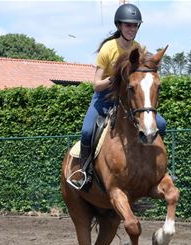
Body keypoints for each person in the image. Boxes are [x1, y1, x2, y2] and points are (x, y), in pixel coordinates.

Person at [73, 3, 167, 190]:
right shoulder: (108, 49)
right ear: (119, 26)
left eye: (135, 25)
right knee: (87, 131)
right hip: (104, 97)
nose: (131, 29)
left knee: (161, 124)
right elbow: (96, 84)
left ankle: (156, 166)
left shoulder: (138, 48)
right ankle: (84, 172)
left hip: (128, 100)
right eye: (127, 25)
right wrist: (115, 79)